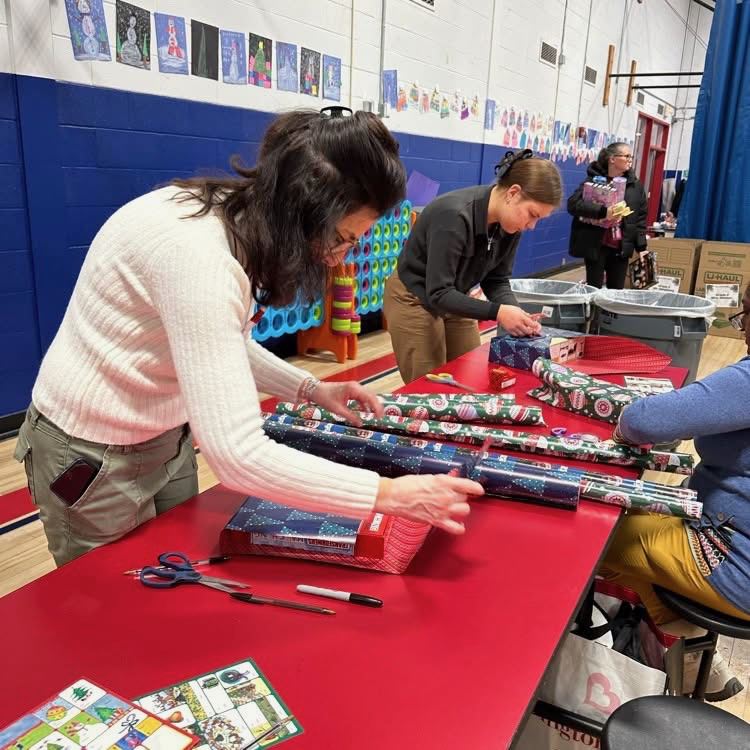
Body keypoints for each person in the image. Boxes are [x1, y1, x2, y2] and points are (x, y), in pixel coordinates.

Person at [14, 106, 483, 567]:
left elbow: (218, 342)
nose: (339, 258)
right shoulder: (200, 258)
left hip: (163, 436)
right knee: (107, 601)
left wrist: (312, 389)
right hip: (90, 453)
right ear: (301, 210)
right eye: (341, 238)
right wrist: (388, 493)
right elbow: (238, 454)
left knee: (174, 572)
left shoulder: (235, 217)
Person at [601, 283, 750, 700]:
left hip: (737, 564)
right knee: (645, 524)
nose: (741, 332)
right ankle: (691, 653)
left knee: (597, 539)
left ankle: (672, 647)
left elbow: (645, 421)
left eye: (743, 320)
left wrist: (621, 422)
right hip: (728, 534)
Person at [383, 149, 562, 384]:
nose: (531, 226)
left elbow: (496, 279)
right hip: (414, 296)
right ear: (513, 193)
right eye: (532, 215)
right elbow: (438, 293)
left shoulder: (510, 224)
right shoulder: (454, 216)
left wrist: (514, 312)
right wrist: (498, 312)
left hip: (453, 295)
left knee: (468, 375)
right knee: (430, 385)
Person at [567, 142, 647, 289]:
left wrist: (641, 247)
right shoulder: (592, 181)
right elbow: (573, 205)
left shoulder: (636, 186)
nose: (630, 159)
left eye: (631, 156)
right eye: (626, 156)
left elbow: (640, 218)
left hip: (621, 247)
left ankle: (610, 314)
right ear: (612, 159)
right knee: (594, 290)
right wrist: (604, 212)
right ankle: (593, 313)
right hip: (596, 245)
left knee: (616, 291)